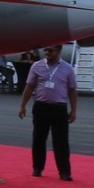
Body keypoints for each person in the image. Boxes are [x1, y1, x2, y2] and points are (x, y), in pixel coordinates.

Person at [19, 43, 79, 180]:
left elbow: (72, 90)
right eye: (45, 50)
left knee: (61, 141)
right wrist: (23, 105)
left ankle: (64, 172)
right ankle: (37, 168)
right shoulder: (37, 66)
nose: (47, 53)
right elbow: (29, 87)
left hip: (59, 108)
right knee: (38, 138)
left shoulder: (68, 69)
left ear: (59, 51)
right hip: (41, 107)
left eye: (50, 50)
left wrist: (73, 110)